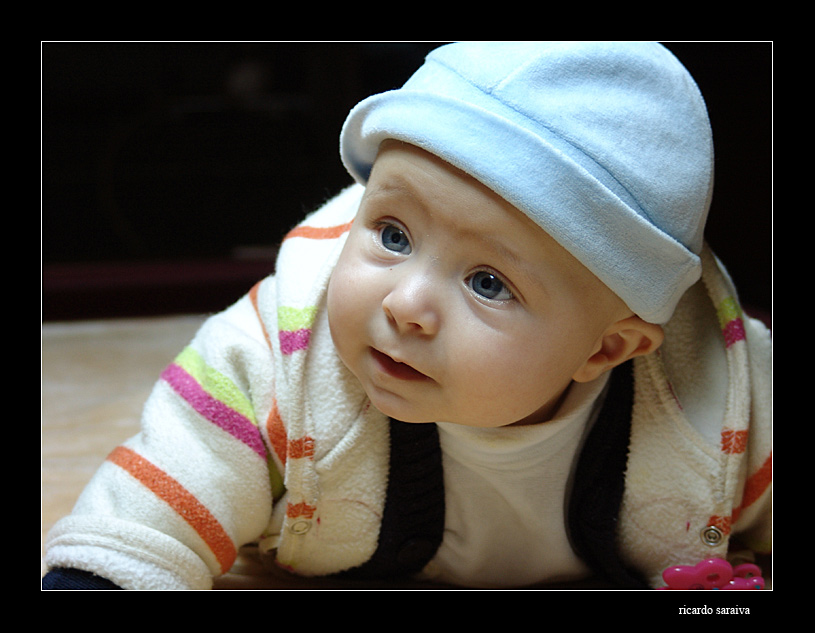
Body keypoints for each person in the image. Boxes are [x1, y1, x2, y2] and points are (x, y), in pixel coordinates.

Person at [42, 41, 771, 590]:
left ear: (607, 345)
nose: (405, 303)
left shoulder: (728, 404)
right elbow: (133, 534)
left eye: (488, 282)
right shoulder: (271, 364)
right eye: (392, 234)